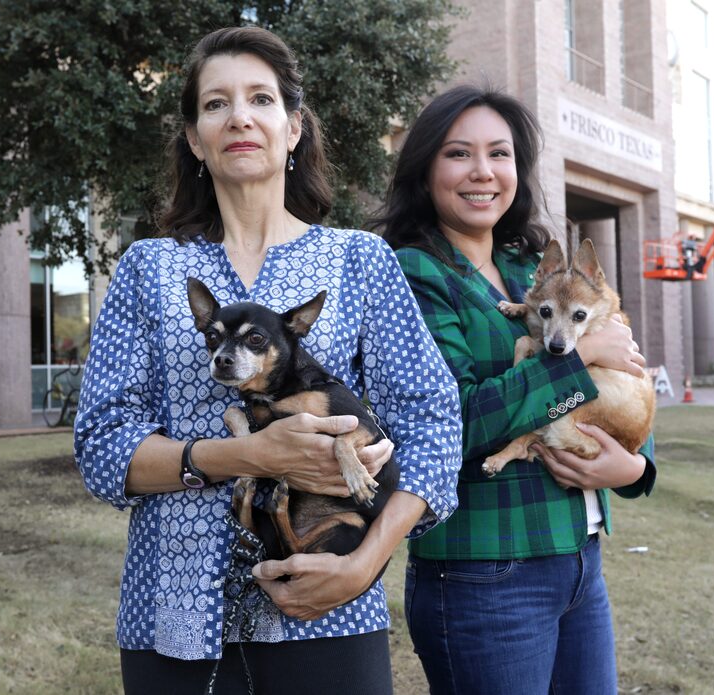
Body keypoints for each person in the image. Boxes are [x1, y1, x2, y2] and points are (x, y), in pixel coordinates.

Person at [73, 27, 461, 695]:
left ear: (293, 126)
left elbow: (433, 422)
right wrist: (249, 454)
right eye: (216, 104)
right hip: (172, 618)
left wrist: (364, 564)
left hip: (330, 609)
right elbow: (104, 444)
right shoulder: (149, 269)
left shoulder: (358, 261)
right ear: (195, 138)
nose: (241, 117)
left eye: (260, 98)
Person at [372, 85, 656, 695]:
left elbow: (625, 376)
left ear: (517, 171)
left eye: (499, 154)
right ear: (425, 169)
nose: (482, 172)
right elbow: (450, 425)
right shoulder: (411, 272)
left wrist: (633, 468)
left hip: (581, 559)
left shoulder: (537, 268)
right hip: (485, 572)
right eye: (458, 154)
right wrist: (575, 357)